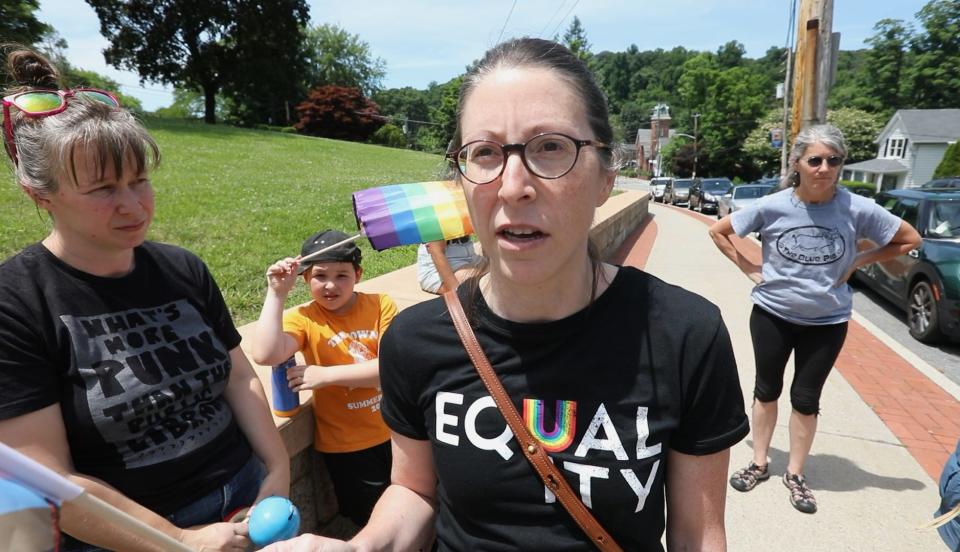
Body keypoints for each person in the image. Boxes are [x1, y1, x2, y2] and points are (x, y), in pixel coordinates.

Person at [265, 37, 749, 552]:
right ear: (461, 183)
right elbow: (414, 491)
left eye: (551, 147)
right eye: (486, 153)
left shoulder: (684, 334)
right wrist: (362, 548)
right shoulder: (415, 339)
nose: (514, 185)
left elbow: (698, 535)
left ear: (607, 176)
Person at [0, 48, 290, 551]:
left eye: (139, 180)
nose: (133, 206)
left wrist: (278, 468)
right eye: (102, 189)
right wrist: (180, 540)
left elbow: (239, 376)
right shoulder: (15, 302)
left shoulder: (182, 268)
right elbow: (50, 478)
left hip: (249, 496)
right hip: (137, 536)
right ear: (38, 194)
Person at [708, 124, 922, 514]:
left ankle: (796, 473)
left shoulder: (857, 208)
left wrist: (861, 258)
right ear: (798, 164)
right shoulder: (774, 205)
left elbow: (909, 239)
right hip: (773, 314)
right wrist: (750, 267)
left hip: (827, 321)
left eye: (833, 160)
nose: (824, 168)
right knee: (766, 390)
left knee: (806, 400)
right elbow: (720, 231)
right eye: (815, 160)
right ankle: (759, 462)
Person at [251, 229, 398, 527]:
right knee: (371, 521)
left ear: (358, 274)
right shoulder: (304, 318)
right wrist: (277, 292)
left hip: (396, 432)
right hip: (346, 446)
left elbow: (390, 368)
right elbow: (265, 354)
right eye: (320, 276)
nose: (330, 285)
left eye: (342, 275)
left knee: (411, 508)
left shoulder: (380, 305)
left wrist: (326, 375)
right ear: (305, 279)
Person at [416, 236, 481, 294]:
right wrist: (457, 293)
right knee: (481, 279)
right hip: (438, 266)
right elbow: (436, 251)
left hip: (468, 254)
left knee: (489, 271)